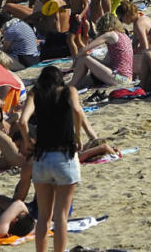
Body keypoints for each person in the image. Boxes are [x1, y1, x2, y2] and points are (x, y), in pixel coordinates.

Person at [19, 66, 94, 252]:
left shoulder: (35, 93)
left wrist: (28, 140)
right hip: (64, 156)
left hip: (42, 157)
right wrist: (78, 136)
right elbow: (77, 110)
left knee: (44, 216)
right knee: (61, 216)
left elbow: (22, 121)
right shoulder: (69, 91)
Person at [68, 13, 133, 88]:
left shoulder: (110, 35)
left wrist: (75, 62)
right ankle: (72, 84)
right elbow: (106, 63)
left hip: (120, 78)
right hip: (126, 78)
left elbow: (84, 49)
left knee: (84, 58)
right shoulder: (123, 36)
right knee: (83, 81)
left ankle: (70, 85)